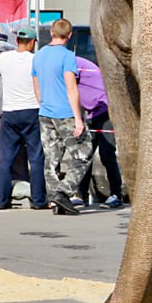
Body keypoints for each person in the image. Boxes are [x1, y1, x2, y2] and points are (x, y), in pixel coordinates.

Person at [32, 18, 92, 215]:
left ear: (51, 32)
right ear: (70, 35)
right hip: (64, 112)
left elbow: (37, 86)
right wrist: (78, 118)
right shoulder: (67, 56)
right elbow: (71, 87)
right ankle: (64, 192)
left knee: (51, 158)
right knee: (83, 153)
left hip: (46, 112)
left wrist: (44, 104)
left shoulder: (38, 56)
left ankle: (55, 200)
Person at [0, 26, 47, 210]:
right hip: (31, 110)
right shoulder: (36, 59)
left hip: (9, 111)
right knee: (36, 157)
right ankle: (39, 201)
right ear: (32, 42)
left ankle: (1, 201)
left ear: (17, 41)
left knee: (6, 158)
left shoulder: (4, 58)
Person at [74, 56, 123, 209]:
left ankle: (116, 194)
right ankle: (81, 195)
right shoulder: (71, 63)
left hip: (105, 110)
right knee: (86, 154)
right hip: (92, 113)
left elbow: (69, 90)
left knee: (107, 154)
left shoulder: (72, 64)